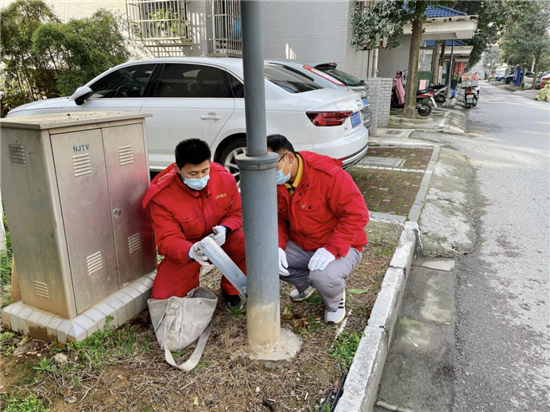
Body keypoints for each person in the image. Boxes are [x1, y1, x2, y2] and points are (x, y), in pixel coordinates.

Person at [267, 134, 369, 324]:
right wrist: (278, 246)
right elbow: (280, 220)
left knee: (324, 277)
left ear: (289, 158)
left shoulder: (328, 175)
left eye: (272, 167)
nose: (268, 174)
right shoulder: (280, 182)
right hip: (302, 244)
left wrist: (331, 249)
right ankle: (307, 284)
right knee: (264, 260)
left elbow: (357, 214)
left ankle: (334, 300)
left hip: (341, 247)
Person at [142, 138, 246, 309]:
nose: (201, 178)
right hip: (188, 247)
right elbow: (167, 239)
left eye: (205, 171)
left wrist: (225, 228)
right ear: (178, 169)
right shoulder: (162, 196)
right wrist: (190, 251)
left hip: (220, 240)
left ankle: (231, 289)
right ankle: (189, 283)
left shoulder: (224, 178)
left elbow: (236, 212)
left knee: (246, 242)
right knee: (163, 300)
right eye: (193, 173)